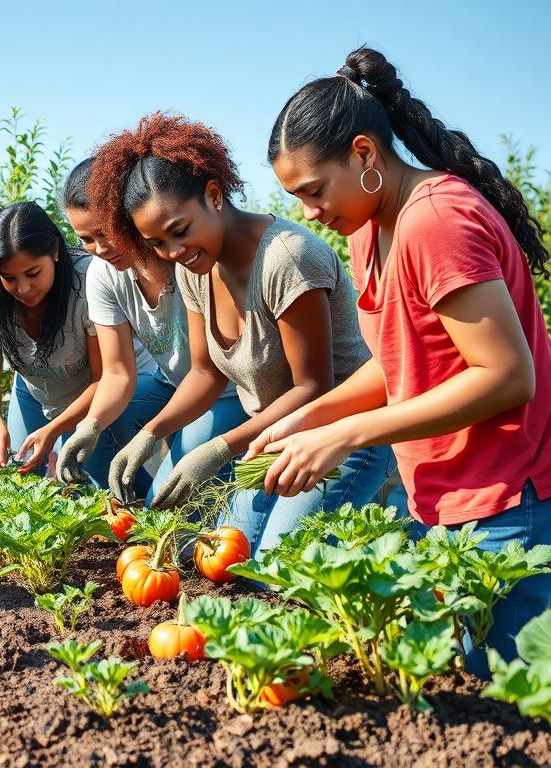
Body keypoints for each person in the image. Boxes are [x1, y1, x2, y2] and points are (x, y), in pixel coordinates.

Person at [257, 46, 551, 670]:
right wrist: (309, 418)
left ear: (364, 153)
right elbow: (401, 359)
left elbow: (507, 374)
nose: (309, 213)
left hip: (509, 501)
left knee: (516, 706)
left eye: (313, 191)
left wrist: (347, 434)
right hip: (444, 498)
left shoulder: (435, 221)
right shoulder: (369, 227)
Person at [84, 112, 394, 554]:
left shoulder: (287, 258)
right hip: (273, 441)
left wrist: (215, 451)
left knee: (274, 569)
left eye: (179, 231)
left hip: (342, 436)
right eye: (156, 244)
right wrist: (150, 432)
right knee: (227, 559)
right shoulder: (195, 266)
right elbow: (206, 374)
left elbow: (313, 388)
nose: (173, 251)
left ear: (214, 195)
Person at [58, 157, 244, 502]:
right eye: (86, 239)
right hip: (173, 383)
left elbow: (210, 372)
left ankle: (216, 494)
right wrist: (92, 424)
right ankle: (133, 502)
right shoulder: (104, 274)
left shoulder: (188, 259)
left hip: (226, 390)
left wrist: (151, 432)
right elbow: (117, 372)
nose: (100, 249)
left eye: (106, 232)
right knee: (98, 421)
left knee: (173, 491)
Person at [0, 201, 149, 485]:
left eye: (33, 273)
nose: (23, 289)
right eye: (9, 278)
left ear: (55, 250)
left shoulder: (86, 283)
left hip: (96, 399)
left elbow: (104, 378)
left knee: (102, 489)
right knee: (21, 483)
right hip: (32, 391)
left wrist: (54, 429)